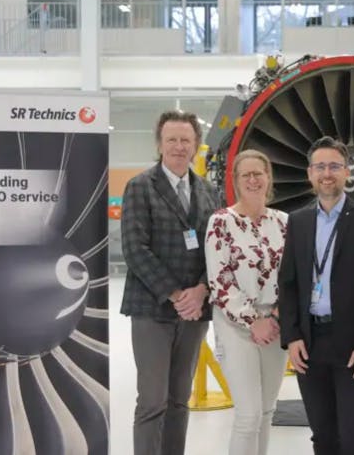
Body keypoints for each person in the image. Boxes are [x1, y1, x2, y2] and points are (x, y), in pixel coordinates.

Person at [278, 136, 354, 455]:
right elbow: (288, 283)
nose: (327, 173)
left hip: (353, 345)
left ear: (346, 172)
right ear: (310, 173)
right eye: (321, 166)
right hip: (309, 343)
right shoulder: (298, 221)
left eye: (335, 166)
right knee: (322, 435)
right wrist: (292, 336)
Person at [120, 110, 220, 455]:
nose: (179, 146)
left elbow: (218, 249)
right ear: (160, 144)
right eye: (172, 139)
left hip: (194, 313)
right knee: (152, 401)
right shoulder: (139, 187)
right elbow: (135, 250)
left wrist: (202, 290)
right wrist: (178, 295)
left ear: (196, 145)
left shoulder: (208, 192)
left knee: (180, 399)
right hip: (152, 309)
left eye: (186, 140)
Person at [205, 149, 288, 455]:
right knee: (248, 414)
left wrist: (275, 318)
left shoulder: (283, 222)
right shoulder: (221, 222)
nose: (253, 180)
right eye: (246, 175)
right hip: (236, 324)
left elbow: (294, 276)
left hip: (275, 325)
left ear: (268, 178)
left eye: (259, 173)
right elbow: (220, 280)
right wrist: (255, 320)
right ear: (236, 181)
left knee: (267, 411)